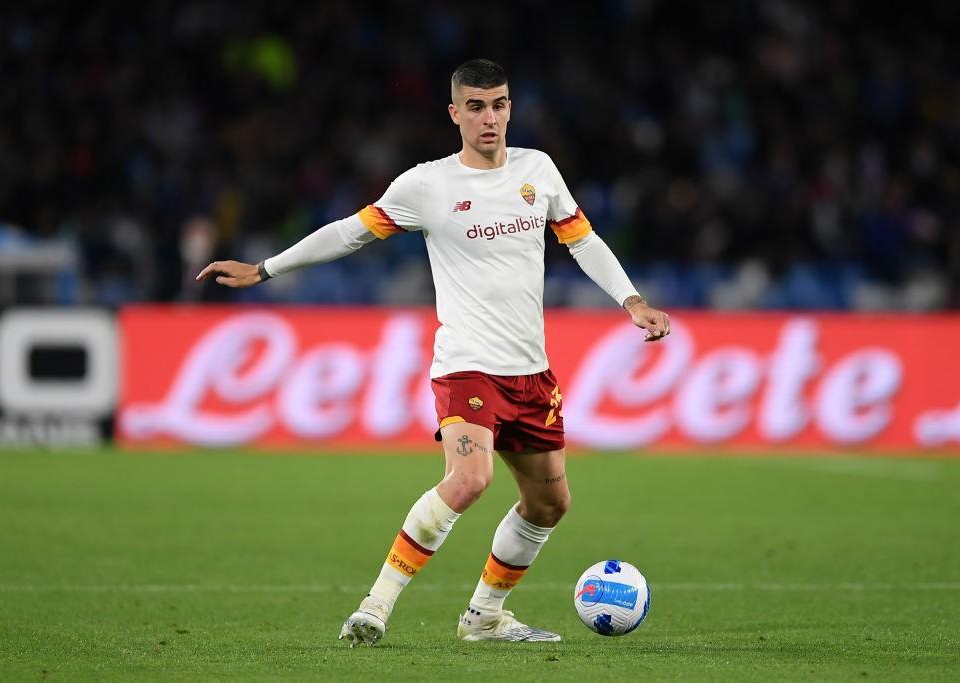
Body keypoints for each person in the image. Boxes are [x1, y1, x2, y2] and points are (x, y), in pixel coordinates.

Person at [197, 58, 669, 646]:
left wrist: (631, 301)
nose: (489, 117)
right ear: (454, 114)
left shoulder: (538, 171)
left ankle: (485, 618)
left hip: (531, 373)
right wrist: (266, 269)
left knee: (549, 504)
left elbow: (583, 241)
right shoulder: (427, 185)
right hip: (466, 364)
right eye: (475, 106)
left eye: (498, 104)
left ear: (510, 108)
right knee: (470, 478)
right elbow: (349, 231)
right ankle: (375, 606)